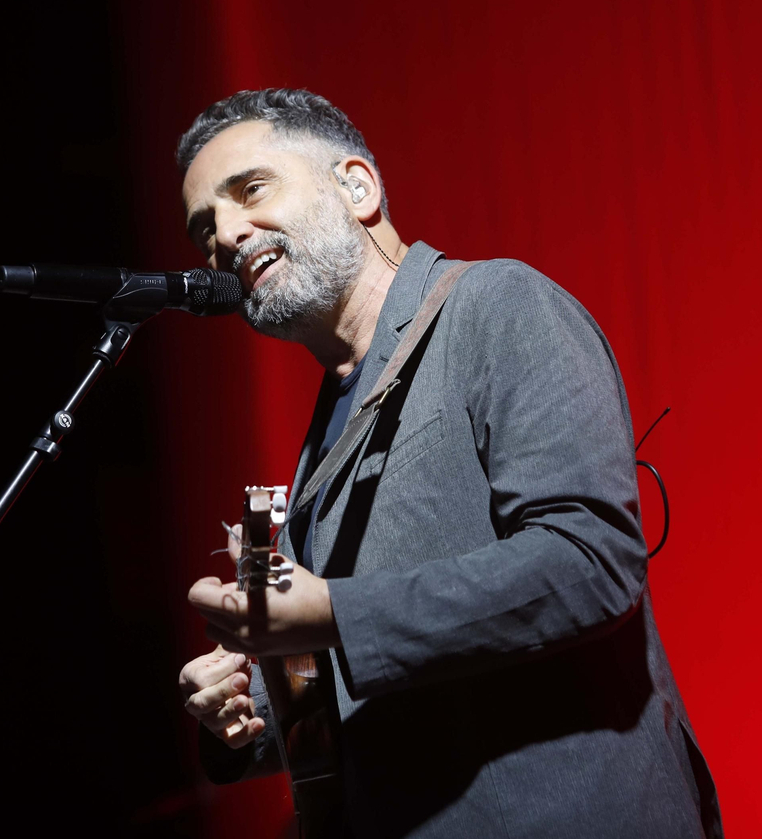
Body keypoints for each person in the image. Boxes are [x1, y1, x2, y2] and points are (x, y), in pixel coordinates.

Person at [175, 88, 721, 839]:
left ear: (357, 186)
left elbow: (592, 561)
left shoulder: (496, 305)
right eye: (204, 226)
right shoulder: (322, 436)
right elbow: (360, 684)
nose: (227, 235)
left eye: (250, 191)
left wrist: (333, 612)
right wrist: (245, 712)